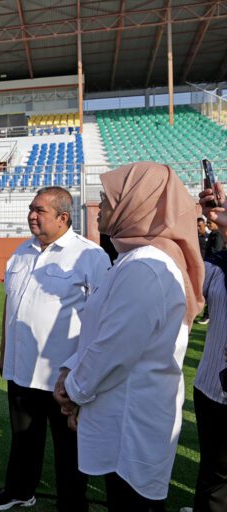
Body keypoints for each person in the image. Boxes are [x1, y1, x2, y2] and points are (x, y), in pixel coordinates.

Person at [54, 162, 204, 512]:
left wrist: (73, 390)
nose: (100, 206)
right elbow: (106, 332)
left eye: (108, 199)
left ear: (135, 206)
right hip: (122, 410)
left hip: (131, 420)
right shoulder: (134, 259)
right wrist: (70, 370)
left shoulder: (146, 266)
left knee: (131, 503)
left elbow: (115, 349)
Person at [0, 187, 110, 511]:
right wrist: (3, 351)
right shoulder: (21, 252)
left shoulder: (89, 256)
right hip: (21, 368)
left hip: (64, 375)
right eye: (30, 209)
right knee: (24, 437)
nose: (32, 215)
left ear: (63, 218)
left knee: (70, 446)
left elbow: (101, 317)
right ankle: (20, 490)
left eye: (39, 210)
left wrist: (82, 368)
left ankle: (72, 504)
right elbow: (10, 306)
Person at [181, 182, 227, 512]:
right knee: (213, 474)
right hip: (212, 388)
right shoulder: (220, 264)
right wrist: (197, 218)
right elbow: (189, 274)